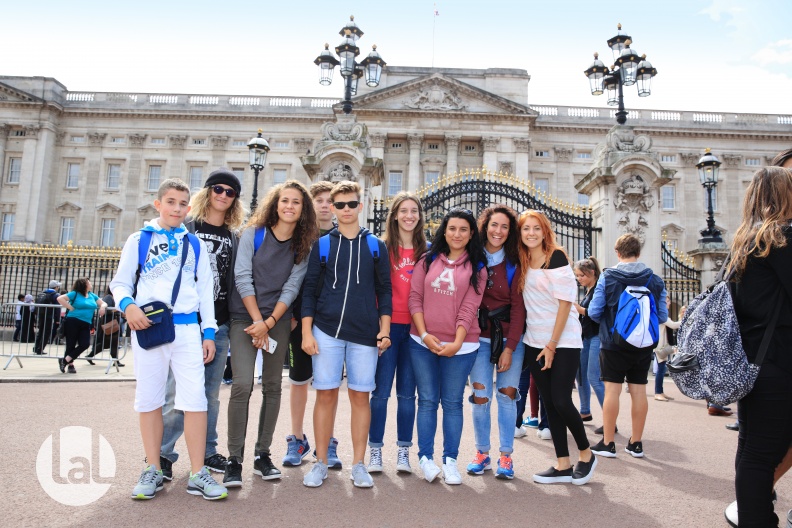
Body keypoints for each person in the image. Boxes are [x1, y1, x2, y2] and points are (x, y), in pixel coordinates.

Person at [110, 177, 227, 501]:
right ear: (158, 204)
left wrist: (208, 331)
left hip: (188, 329)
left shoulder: (195, 244)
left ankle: (197, 472)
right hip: (150, 327)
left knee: (195, 401)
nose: (177, 208)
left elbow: (205, 289)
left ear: (188, 208)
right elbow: (120, 283)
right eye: (171, 202)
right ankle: (153, 467)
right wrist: (128, 305)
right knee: (149, 400)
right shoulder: (139, 239)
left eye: (182, 203)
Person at [223, 180, 317, 487]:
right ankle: (234, 459)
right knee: (242, 384)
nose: (289, 206)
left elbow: (292, 287)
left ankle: (262, 454)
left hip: (276, 319)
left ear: (303, 210)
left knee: (274, 386)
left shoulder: (304, 244)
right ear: (275, 204)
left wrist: (270, 322)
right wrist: (257, 322)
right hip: (244, 318)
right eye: (284, 200)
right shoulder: (254, 233)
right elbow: (242, 276)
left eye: (296, 202)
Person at [301, 180, 392, 489]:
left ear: (360, 206)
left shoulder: (375, 245)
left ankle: (358, 464)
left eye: (351, 204)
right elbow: (310, 291)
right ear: (333, 209)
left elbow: (385, 291)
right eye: (339, 205)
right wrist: (306, 332)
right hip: (326, 331)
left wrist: (385, 330)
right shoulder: (323, 244)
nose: (345, 210)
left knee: (359, 397)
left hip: (365, 334)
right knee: (325, 394)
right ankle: (321, 462)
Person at [160, 168, 245, 480]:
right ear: (208, 191)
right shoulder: (186, 228)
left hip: (218, 325)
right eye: (218, 189)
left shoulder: (234, 238)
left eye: (229, 192)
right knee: (175, 392)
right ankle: (163, 454)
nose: (222, 195)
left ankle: (208, 451)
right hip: (183, 323)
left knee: (209, 393)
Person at [722, 166, 792, 527]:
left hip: (750, 360)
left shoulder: (743, 242)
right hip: (778, 359)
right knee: (761, 455)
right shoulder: (782, 239)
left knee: (751, 449)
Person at [409, 208, 487, 485]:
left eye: (463, 229)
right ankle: (426, 458)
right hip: (422, 341)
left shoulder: (478, 267)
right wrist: (424, 333)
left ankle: (450, 460)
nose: (457, 234)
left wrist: (456, 341)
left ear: (471, 234)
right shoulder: (427, 260)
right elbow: (415, 298)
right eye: (452, 228)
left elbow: (470, 307)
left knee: (452, 403)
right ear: (444, 230)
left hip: (461, 346)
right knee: (428, 400)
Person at [518, 210, 596, 485]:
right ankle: (563, 463)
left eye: (536, 228)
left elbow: (565, 302)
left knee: (562, 399)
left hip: (563, 340)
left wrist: (551, 344)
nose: (531, 233)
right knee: (550, 403)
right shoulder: (523, 259)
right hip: (533, 340)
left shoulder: (557, 256)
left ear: (544, 231)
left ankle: (586, 454)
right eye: (526, 228)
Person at [587, 233, 668, 460]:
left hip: (613, 343)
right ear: (638, 253)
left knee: (612, 391)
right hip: (643, 345)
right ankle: (636, 444)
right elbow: (662, 315)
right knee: (639, 391)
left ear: (617, 252)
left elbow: (594, 312)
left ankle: (608, 443)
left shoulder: (608, 277)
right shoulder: (655, 280)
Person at [284, 180, 342, 468]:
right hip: (299, 320)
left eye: (328, 199)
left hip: (331, 322)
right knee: (298, 381)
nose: (323, 204)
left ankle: (327, 440)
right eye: (318, 199)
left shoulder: (343, 236)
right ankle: (297, 438)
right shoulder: (298, 236)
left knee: (328, 386)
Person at [367, 192, 426, 474]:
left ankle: (404, 450)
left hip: (415, 332)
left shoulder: (427, 251)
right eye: (403, 211)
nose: (409, 216)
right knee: (379, 394)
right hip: (387, 329)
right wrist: (380, 329)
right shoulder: (381, 249)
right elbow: (376, 291)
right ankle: (375, 450)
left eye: (414, 211)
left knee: (407, 395)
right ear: (394, 215)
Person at [466, 205, 526, 480]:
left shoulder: (515, 263)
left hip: (509, 337)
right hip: (477, 337)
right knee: (480, 397)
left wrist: (510, 348)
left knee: (506, 397)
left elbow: (518, 308)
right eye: (494, 225)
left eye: (504, 226)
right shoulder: (472, 257)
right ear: (485, 226)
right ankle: (481, 452)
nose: (498, 231)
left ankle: (506, 456)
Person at [573, 257, 605, 422]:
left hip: (596, 336)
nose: (579, 279)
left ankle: (609, 419)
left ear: (592, 273)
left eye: (582, 275)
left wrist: (579, 309)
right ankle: (585, 411)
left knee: (594, 377)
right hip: (585, 337)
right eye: (577, 276)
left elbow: (596, 313)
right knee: (581, 376)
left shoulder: (598, 289)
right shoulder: (588, 289)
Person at [56, 278, 106, 374]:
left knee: (85, 344)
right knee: (71, 344)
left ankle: (64, 360)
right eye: (89, 283)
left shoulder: (92, 295)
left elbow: (103, 302)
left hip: (86, 322)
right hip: (73, 321)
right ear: (84, 284)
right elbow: (60, 298)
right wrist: (70, 307)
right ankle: (70, 365)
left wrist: (103, 307)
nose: (91, 284)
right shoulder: (75, 294)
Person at [86, 286, 125, 367]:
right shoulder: (108, 297)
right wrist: (117, 309)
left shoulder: (113, 297)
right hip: (109, 323)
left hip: (112, 322)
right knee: (112, 342)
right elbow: (107, 310)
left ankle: (90, 356)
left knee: (107, 343)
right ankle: (115, 361)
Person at [654, 299, 681, 402]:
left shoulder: (662, 314)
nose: (669, 303)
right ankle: (657, 392)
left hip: (662, 344)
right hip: (660, 345)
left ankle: (660, 391)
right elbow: (673, 325)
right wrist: (687, 320)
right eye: (667, 301)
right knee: (660, 370)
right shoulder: (662, 315)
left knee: (661, 369)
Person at [32, 280, 60, 355]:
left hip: (41, 315)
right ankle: (40, 349)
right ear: (56, 287)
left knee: (40, 331)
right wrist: (57, 319)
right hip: (49, 316)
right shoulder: (55, 295)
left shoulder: (42, 293)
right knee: (46, 333)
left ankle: (36, 347)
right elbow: (57, 308)